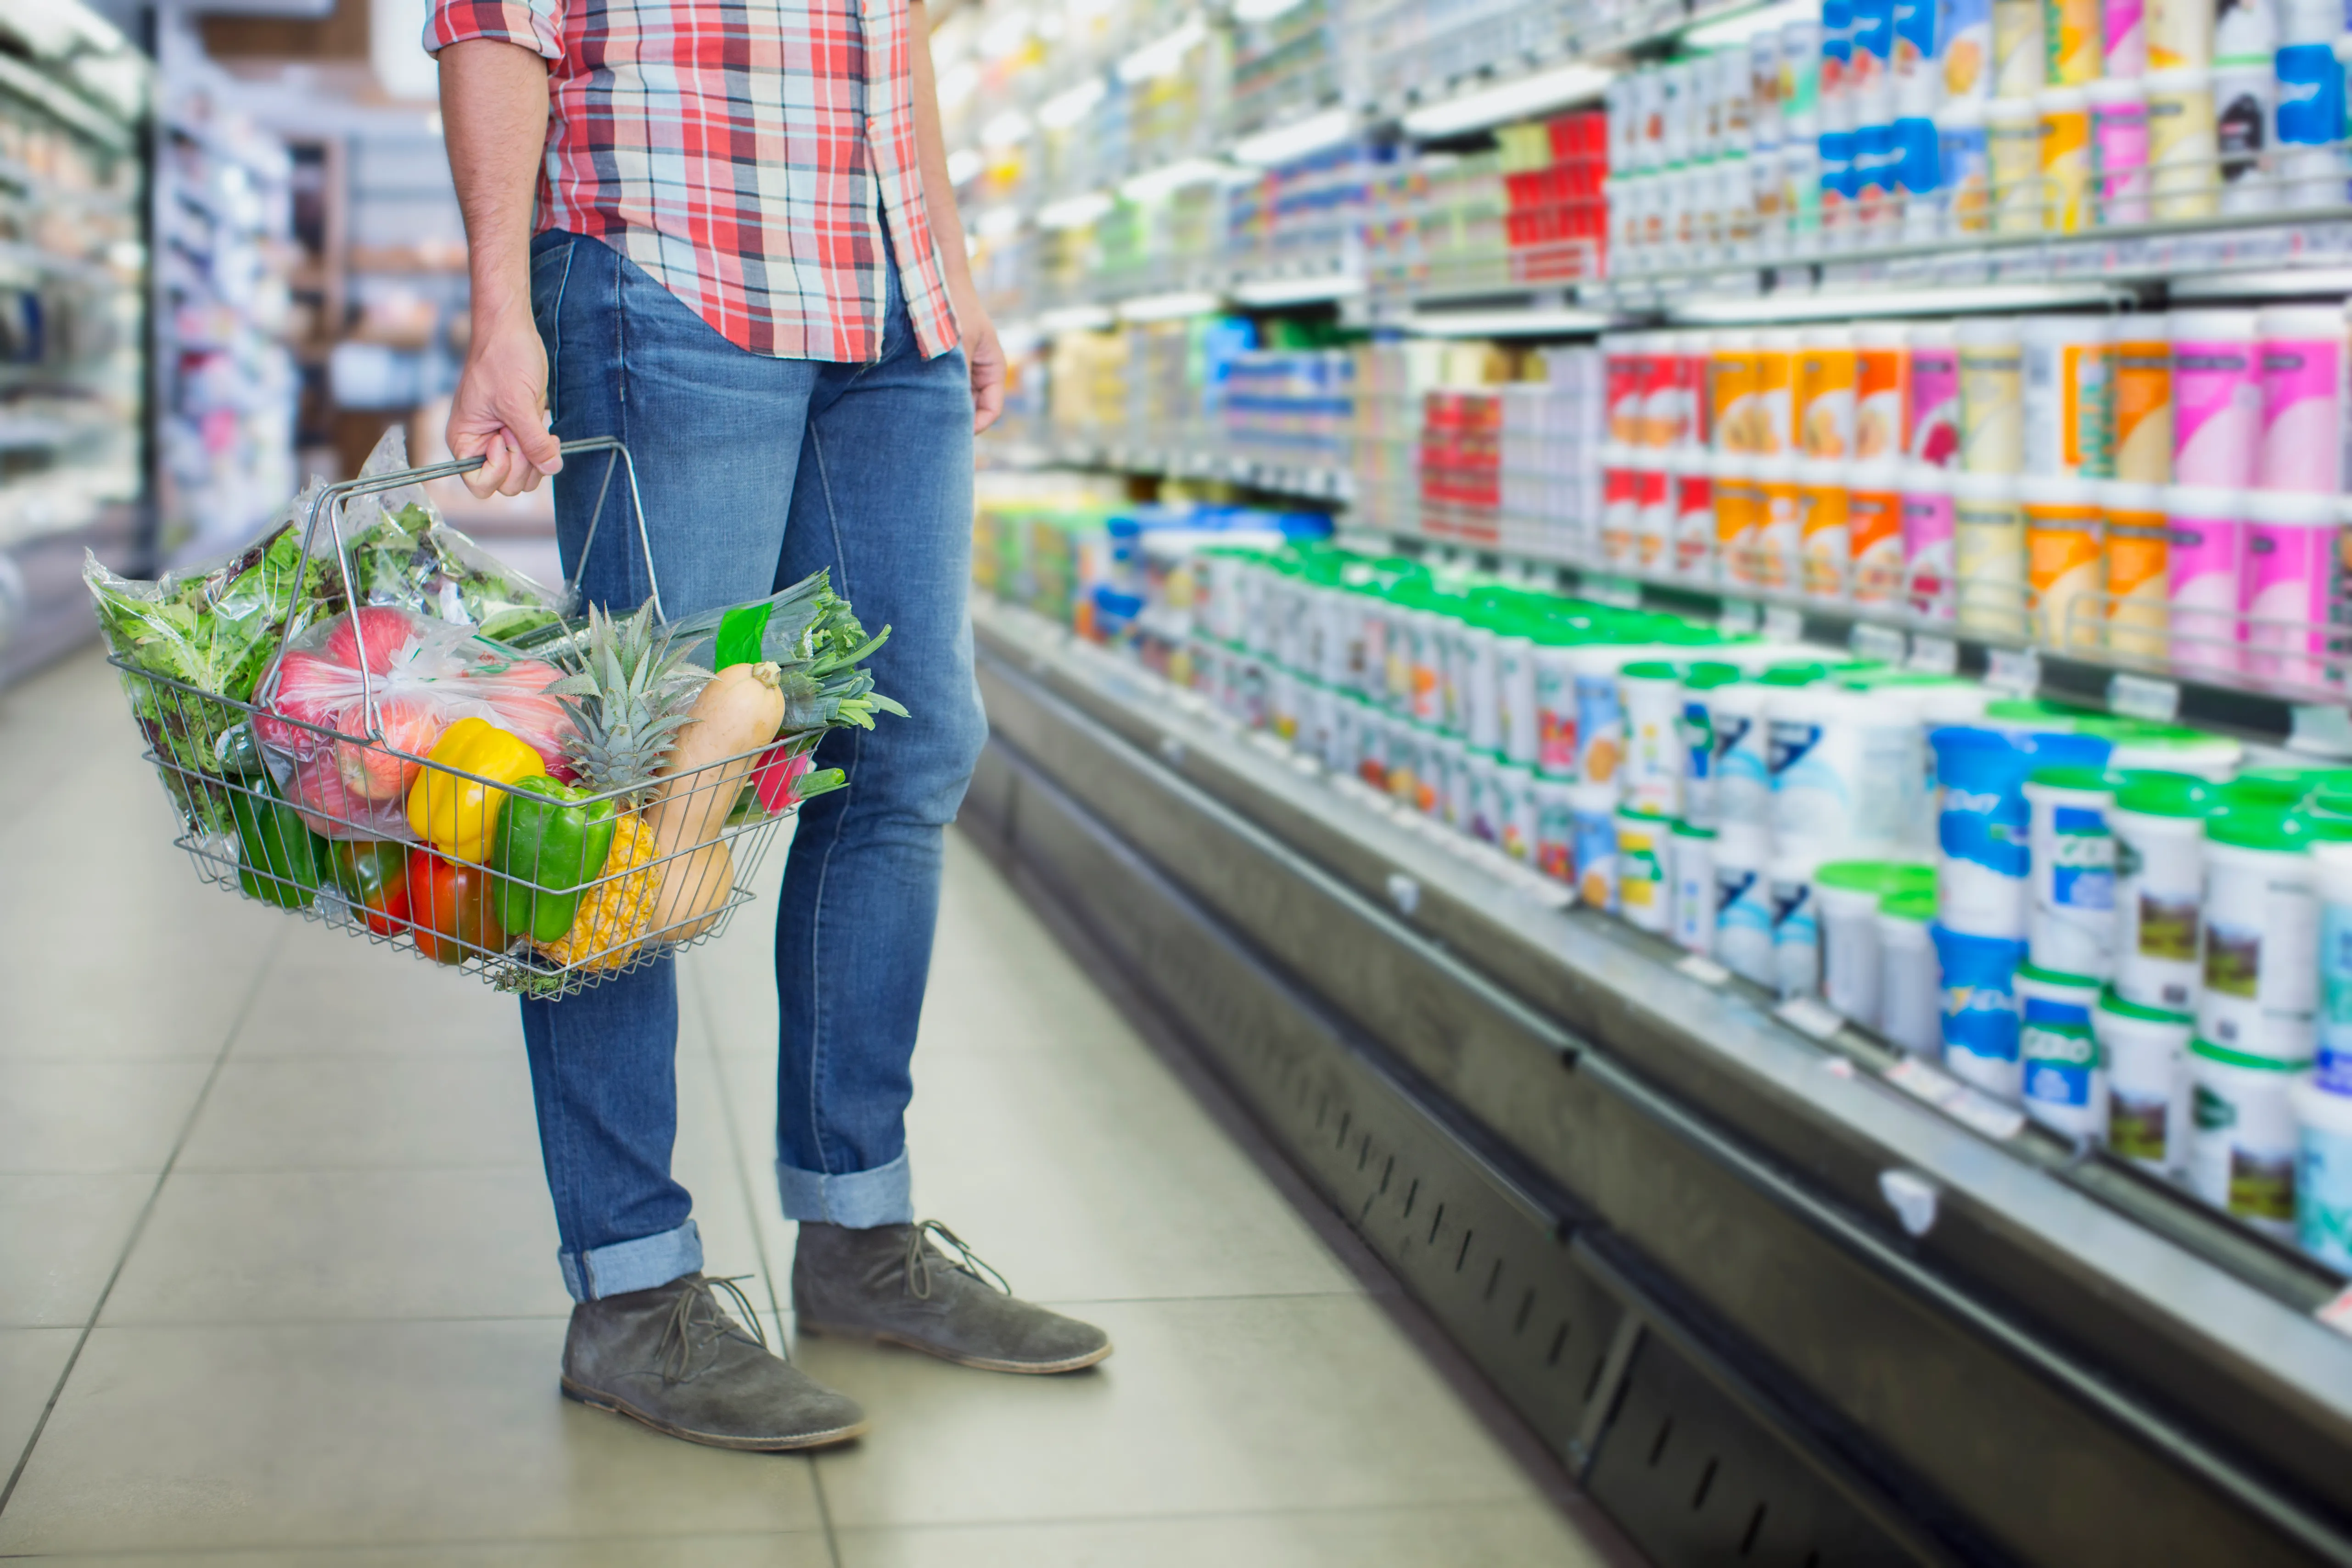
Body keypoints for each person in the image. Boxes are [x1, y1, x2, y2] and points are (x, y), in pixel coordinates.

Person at [425, 0, 1109, 1451]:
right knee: (641, 789)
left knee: (906, 749)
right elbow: (492, 20)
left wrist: (957, 282)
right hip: (674, 267)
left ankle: (858, 1234)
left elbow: (895, 35)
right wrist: (499, 311)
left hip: (888, 298)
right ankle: (630, 1292)